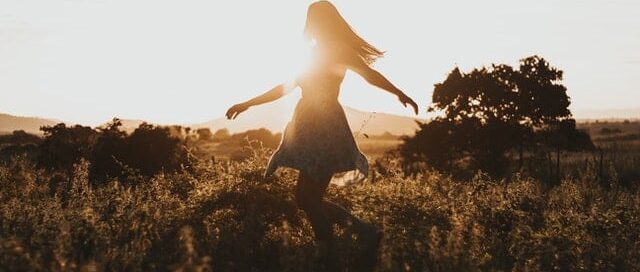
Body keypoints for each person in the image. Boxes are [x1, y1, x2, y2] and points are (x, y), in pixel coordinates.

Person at [226, 0, 418, 267]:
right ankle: (362, 233)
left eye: (315, 20)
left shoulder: (338, 50)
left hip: (324, 127)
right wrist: (247, 103)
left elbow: (370, 76)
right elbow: (285, 87)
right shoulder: (312, 53)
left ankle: (331, 254)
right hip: (309, 126)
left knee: (309, 199)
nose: (311, 25)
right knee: (305, 199)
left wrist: (400, 93)